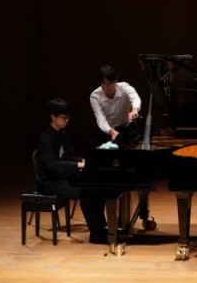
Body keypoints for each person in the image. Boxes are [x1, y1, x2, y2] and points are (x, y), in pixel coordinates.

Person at [35, 98, 110, 244]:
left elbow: (69, 156)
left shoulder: (62, 134)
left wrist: (85, 161)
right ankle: (97, 234)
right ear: (53, 117)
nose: (67, 120)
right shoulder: (46, 138)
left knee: (96, 187)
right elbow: (51, 165)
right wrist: (78, 165)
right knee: (85, 192)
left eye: (68, 117)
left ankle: (101, 229)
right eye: (64, 117)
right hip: (50, 182)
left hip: (63, 178)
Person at [89, 65, 142, 148]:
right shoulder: (95, 96)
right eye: (105, 84)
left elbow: (135, 98)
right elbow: (100, 119)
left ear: (116, 81)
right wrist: (111, 131)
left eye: (111, 83)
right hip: (104, 131)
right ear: (100, 83)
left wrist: (135, 109)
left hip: (124, 128)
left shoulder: (124, 87)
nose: (109, 87)